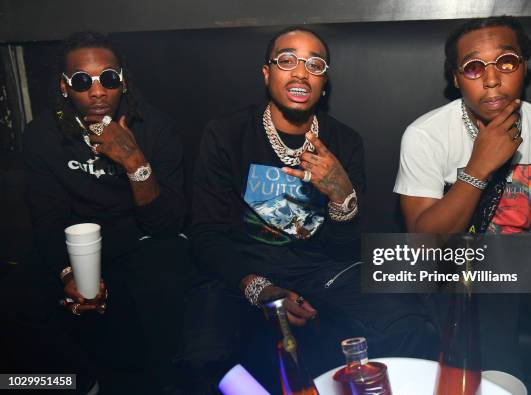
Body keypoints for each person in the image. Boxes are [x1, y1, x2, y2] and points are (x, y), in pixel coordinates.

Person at [191, 27, 437, 392]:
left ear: (324, 81)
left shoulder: (345, 142)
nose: (301, 73)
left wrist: (341, 194)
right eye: (287, 60)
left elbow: (344, 247)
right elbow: (206, 234)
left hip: (325, 273)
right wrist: (259, 288)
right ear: (267, 73)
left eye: (315, 64)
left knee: (407, 320)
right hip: (247, 270)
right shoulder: (227, 134)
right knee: (215, 353)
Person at [393, 16, 531, 393]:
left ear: (524, 67)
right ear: (456, 78)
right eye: (474, 67)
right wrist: (478, 167)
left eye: (506, 61)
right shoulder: (425, 135)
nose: (491, 78)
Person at [8, 31, 190, 394]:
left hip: (142, 241)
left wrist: (134, 161)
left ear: (122, 81)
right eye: (81, 81)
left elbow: (165, 225)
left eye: (108, 78)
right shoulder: (42, 135)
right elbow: (46, 218)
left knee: (159, 284)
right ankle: (76, 383)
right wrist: (66, 274)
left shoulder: (154, 128)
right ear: (64, 87)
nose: (97, 92)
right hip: (76, 245)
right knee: (25, 298)